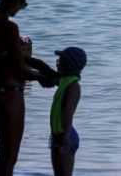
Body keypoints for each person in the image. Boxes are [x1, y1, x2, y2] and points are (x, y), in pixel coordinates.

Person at [0, 0, 57, 176]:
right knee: (9, 156)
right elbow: (19, 69)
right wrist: (43, 78)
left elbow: (11, 59)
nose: (23, 7)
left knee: (3, 153)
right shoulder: (10, 27)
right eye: (23, 3)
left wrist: (44, 68)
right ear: (16, 0)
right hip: (10, 93)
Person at [49, 47, 85, 176]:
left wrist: (64, 140)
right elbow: (46, 75)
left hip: (65, 135)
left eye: (61, 60)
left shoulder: (73, 86)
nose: (57, 62)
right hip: (58, 135)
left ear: (69, 65)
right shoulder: (64, 80)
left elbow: (67, 113)